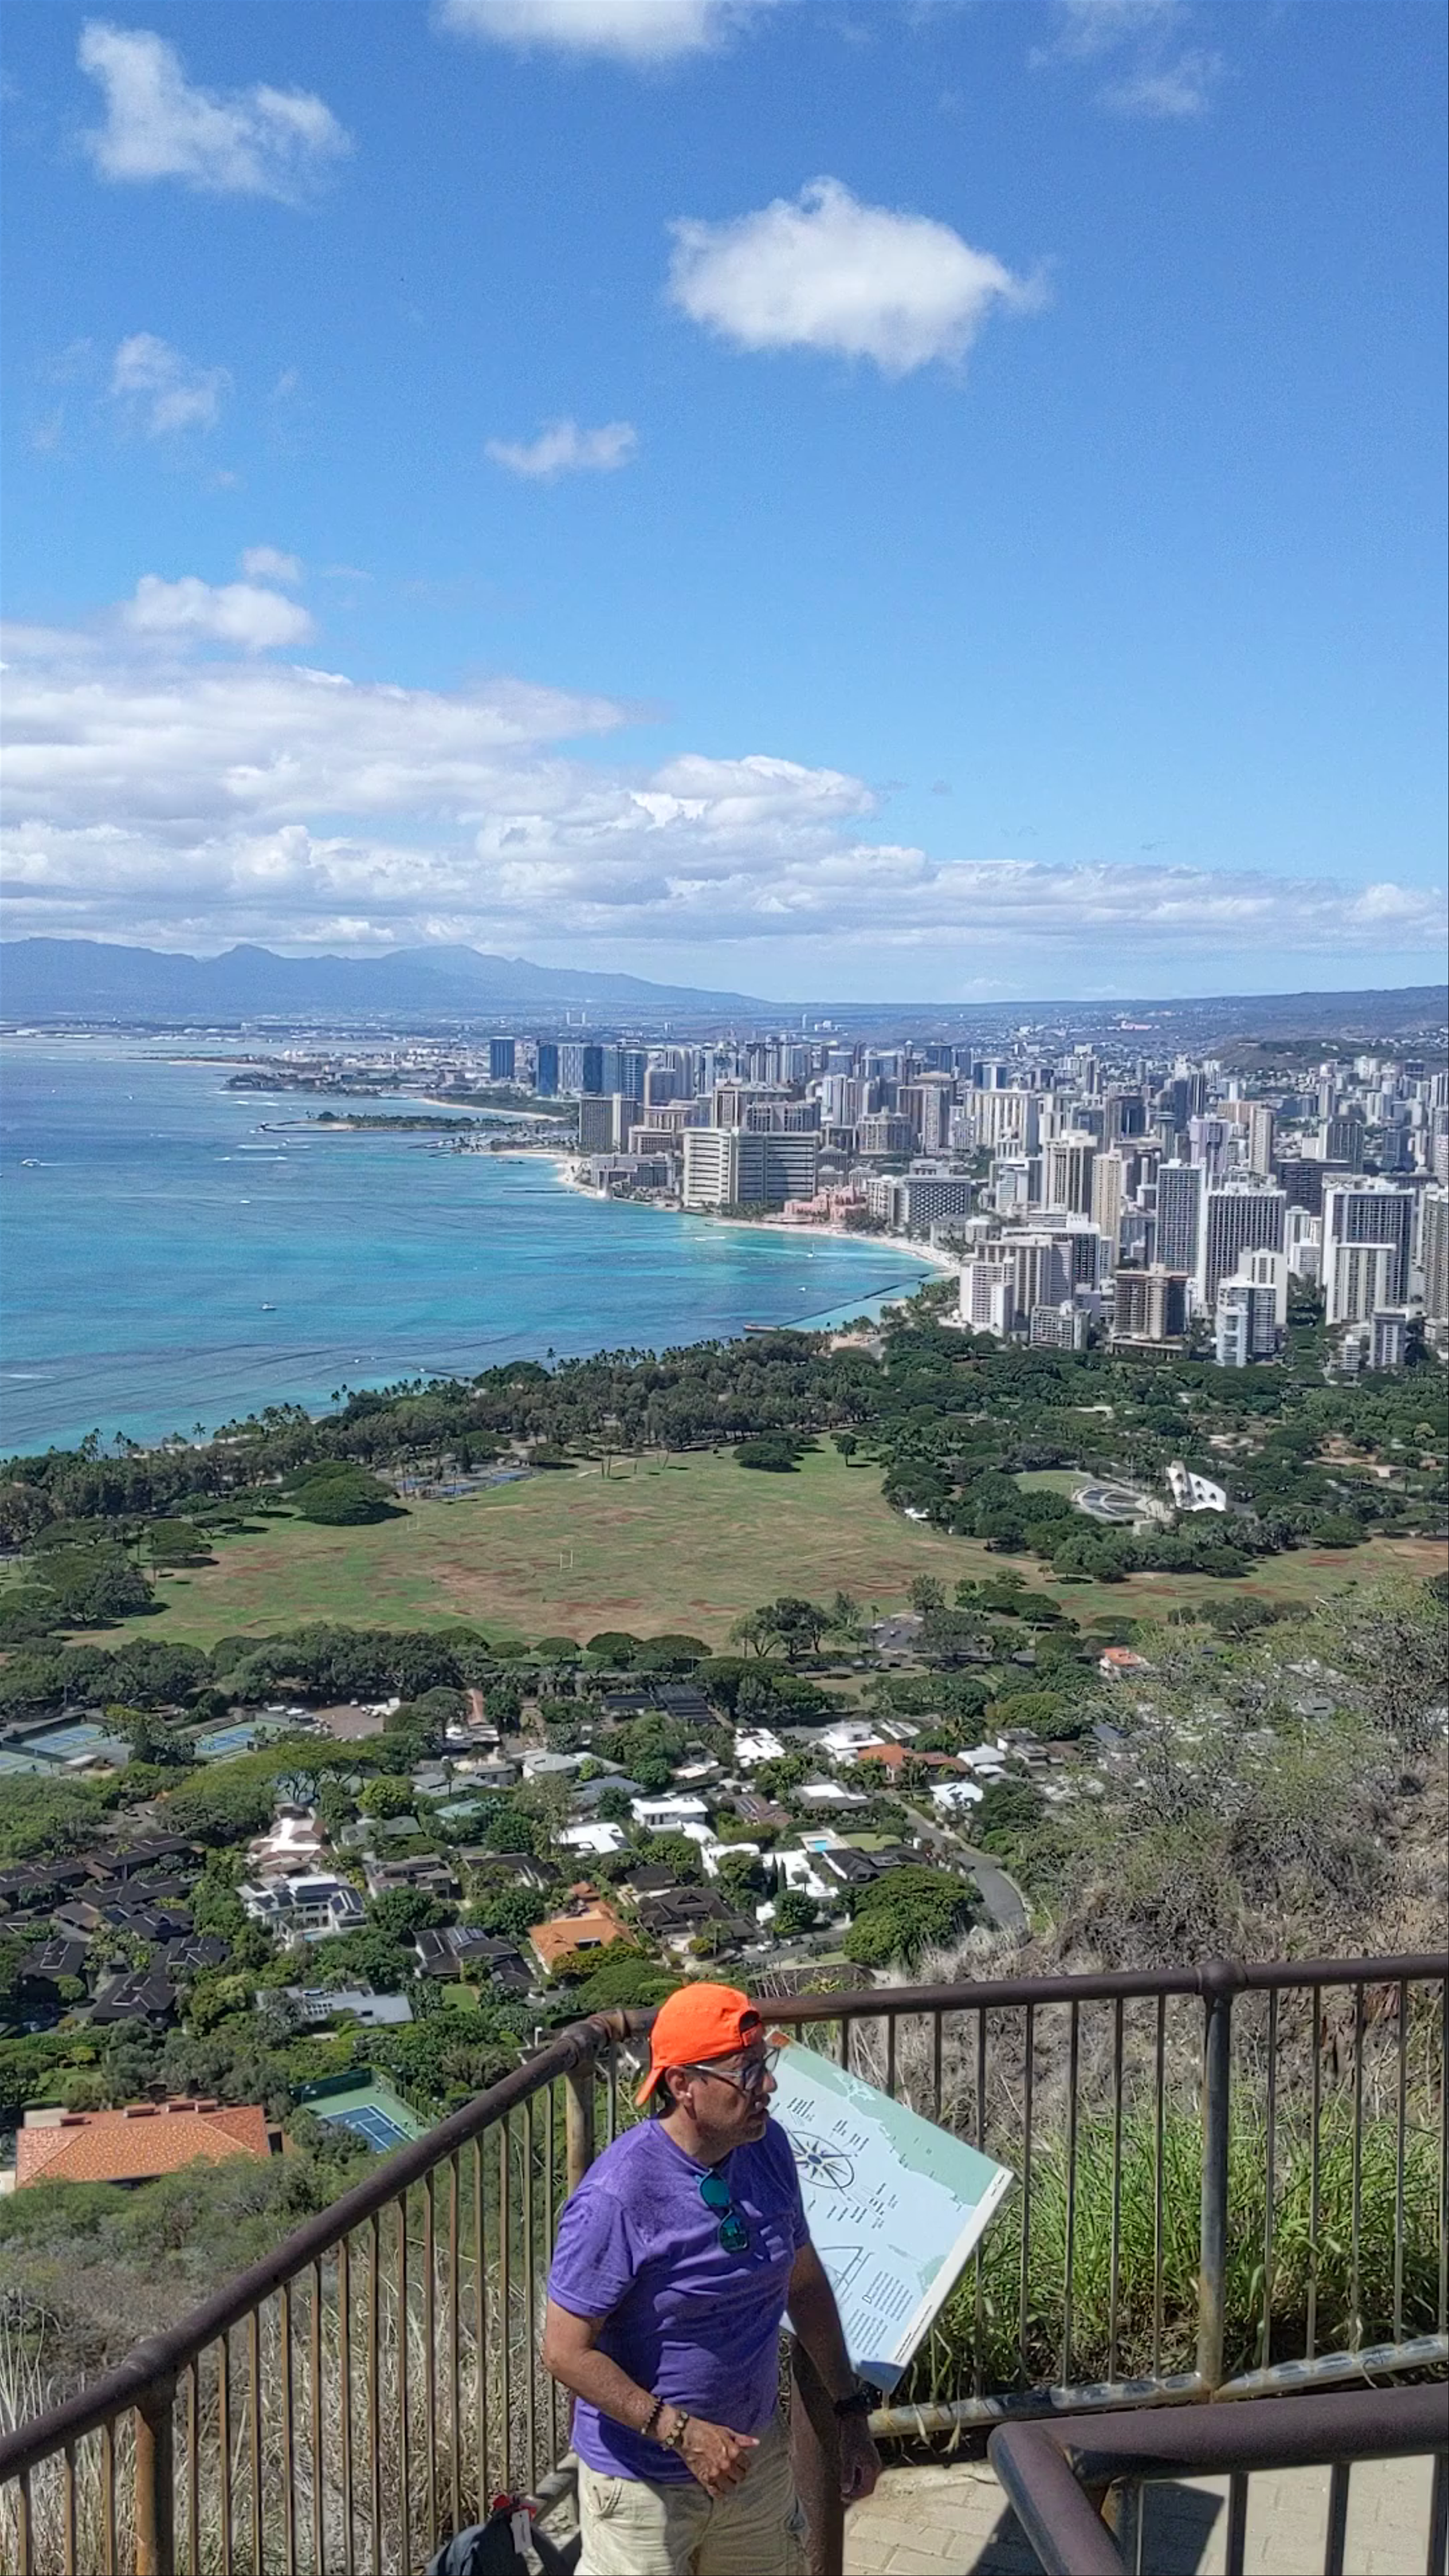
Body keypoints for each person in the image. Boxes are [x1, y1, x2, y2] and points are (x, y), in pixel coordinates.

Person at [543, 1983, 881, 2576]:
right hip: (642, 2486)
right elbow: (564, 2351)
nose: (767, 2084)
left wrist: (850, 2412)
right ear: (683, 2085)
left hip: (752, 2461)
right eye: (745, 2072)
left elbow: (804, 2286)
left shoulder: (767, 2147)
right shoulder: (617, 2196)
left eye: (764, 2063)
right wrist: (680, 2432)